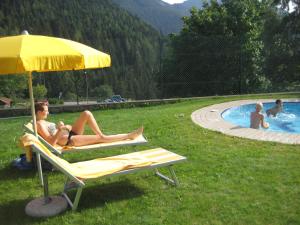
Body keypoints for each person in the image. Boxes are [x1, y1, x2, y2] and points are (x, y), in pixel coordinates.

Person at [35, 102, 143, 147]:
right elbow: (51, 143)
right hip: (69, 140)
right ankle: (129, 136)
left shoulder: (45, 122)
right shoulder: (39, 124)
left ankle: (102, 135)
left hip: (69, 133)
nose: (48, 112)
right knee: (100, 138)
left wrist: (66, 127)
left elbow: (60, 131)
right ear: (39, 112)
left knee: (86, 113)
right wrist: (60, 129)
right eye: (46, 111)